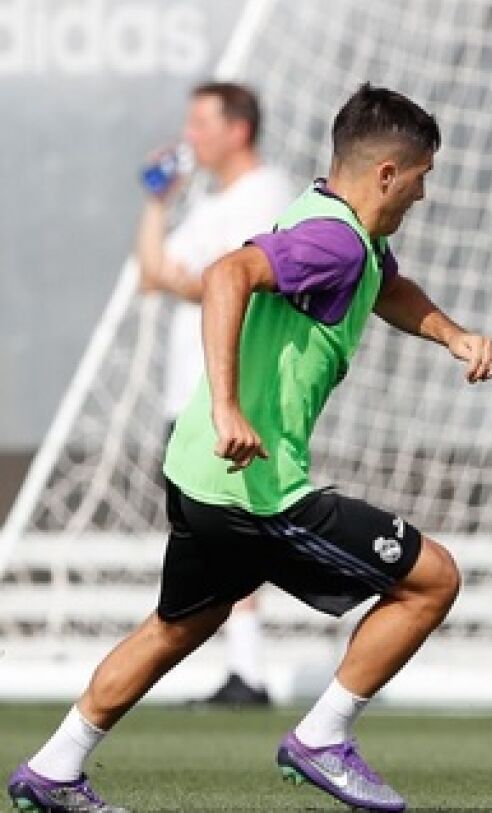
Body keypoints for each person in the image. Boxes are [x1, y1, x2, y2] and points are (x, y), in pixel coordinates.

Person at [9, 85, 492, 813]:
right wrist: (230, 405)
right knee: (432, 579)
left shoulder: (343, 233)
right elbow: (225, 274)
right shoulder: (334, 238)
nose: (424, 196)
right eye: (423, 177)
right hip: (254, 486)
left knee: (181, 624)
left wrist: (453, 334)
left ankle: (54, 766)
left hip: (201, 471)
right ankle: (323, 737)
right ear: (388, 174)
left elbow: (386, 287)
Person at [135, 81, 298, 708]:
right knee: (210, 535)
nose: (189, 136)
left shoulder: (267, 195)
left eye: (201, 123)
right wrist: (156, 202)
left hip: (226, 393)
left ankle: (248, 671)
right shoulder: (210, 201)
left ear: (238, 129)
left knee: (232, 529)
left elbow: (232, 282)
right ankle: (241, 668)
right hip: (186, 397)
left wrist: (197, 283)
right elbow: (158, 275)